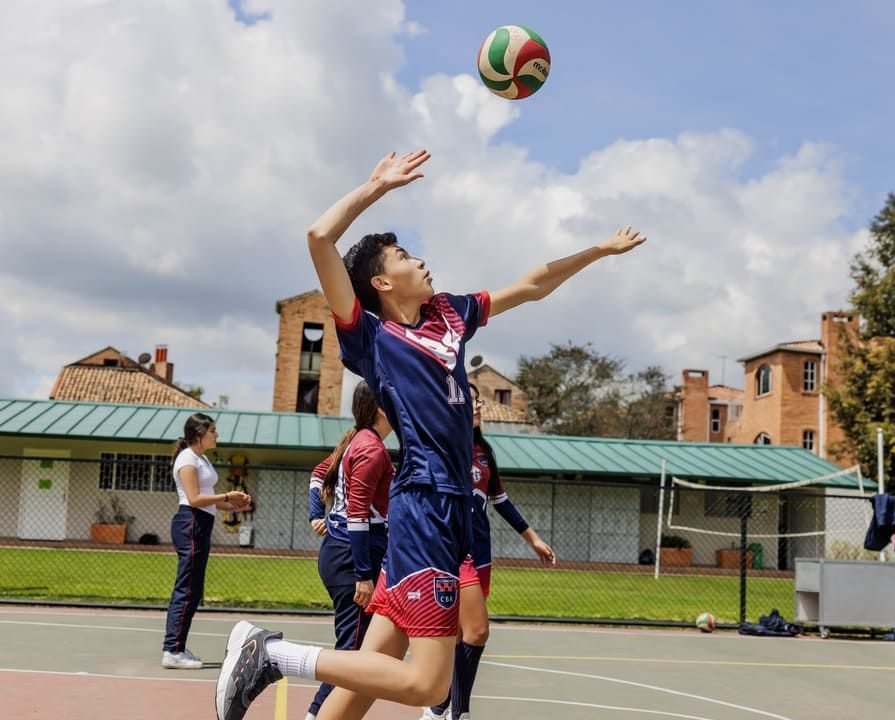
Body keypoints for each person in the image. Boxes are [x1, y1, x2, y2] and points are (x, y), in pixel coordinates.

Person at [215, 149, 645, 720]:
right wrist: (375, 187)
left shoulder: (449, 314)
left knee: (364, 684)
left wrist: (598, 251)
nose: (420, 261)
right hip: (426, 507)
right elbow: (319, 237)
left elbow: (532, 285)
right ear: (380, 281)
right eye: (404, 256)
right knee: (426, 686)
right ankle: (271, 654)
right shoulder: (371, 336)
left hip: (443, 511)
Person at [423, 384, 556, 720]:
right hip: (451, 552)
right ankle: (458, 712)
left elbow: (500, 500)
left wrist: (533, 539)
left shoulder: (484, 452)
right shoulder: (441, 447)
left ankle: (437, 708)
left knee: (459, 633)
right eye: (471, 399)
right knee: (477, 631)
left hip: (480, 550)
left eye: (478, 398)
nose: (478, 404)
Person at [303, 381, 395, 720]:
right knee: (353, 652)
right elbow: (357, 516)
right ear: (382, 408)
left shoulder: (358, 440)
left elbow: (317, 475)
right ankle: (315, 713)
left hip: (343, 553)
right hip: (351, 559)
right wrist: (362, 575)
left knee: (362, 647)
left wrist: (317, 512)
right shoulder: (371, 449)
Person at [162, 413, 251, 669]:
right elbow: (194, 498)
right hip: (190, 522)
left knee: (194, 590)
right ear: (200, 434)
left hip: (200, 523)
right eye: (213, 430)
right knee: (187, 589)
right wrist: (227, 495)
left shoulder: (200, 458)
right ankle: (172, 650)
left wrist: (234, 506)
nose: (217, 435)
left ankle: (176, 647)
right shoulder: (187, 459)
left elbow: (209, 498)